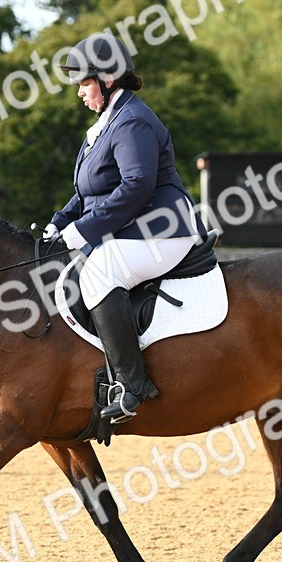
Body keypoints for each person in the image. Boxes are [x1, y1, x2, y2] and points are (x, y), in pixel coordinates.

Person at [43, 33, 205, 424]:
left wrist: (83, 232)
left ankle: (134, 386)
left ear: (109, 78)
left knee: (98, 273)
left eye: (84, 82)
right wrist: (59, 222)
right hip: (134, 229)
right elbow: (87, 191)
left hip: (164, 228)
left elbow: (136, 185)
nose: (80, 92)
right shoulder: (104, 124)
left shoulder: (132, 121)